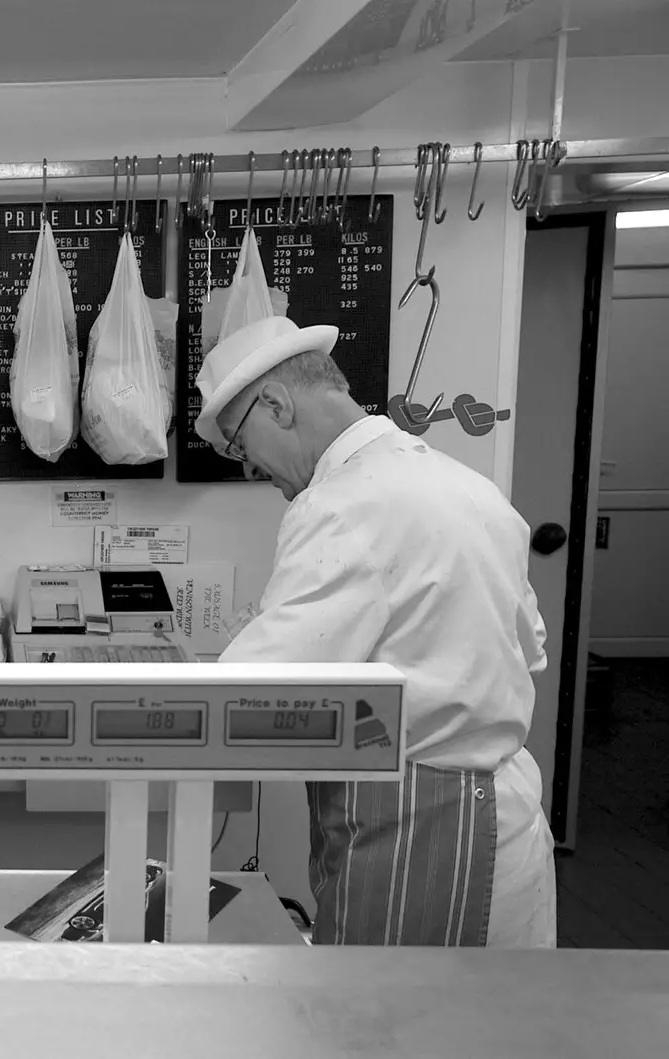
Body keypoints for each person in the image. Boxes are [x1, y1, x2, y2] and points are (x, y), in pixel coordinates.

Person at [194, 315, 557, 947]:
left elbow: (251, 691)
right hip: (508, 813)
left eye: (239, 445)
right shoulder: (471, 488)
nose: (250, 469)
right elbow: (528, 653)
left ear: (276, 405)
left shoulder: (343, 504)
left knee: (384, 1032)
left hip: (424, 828)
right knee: (492, 1031)